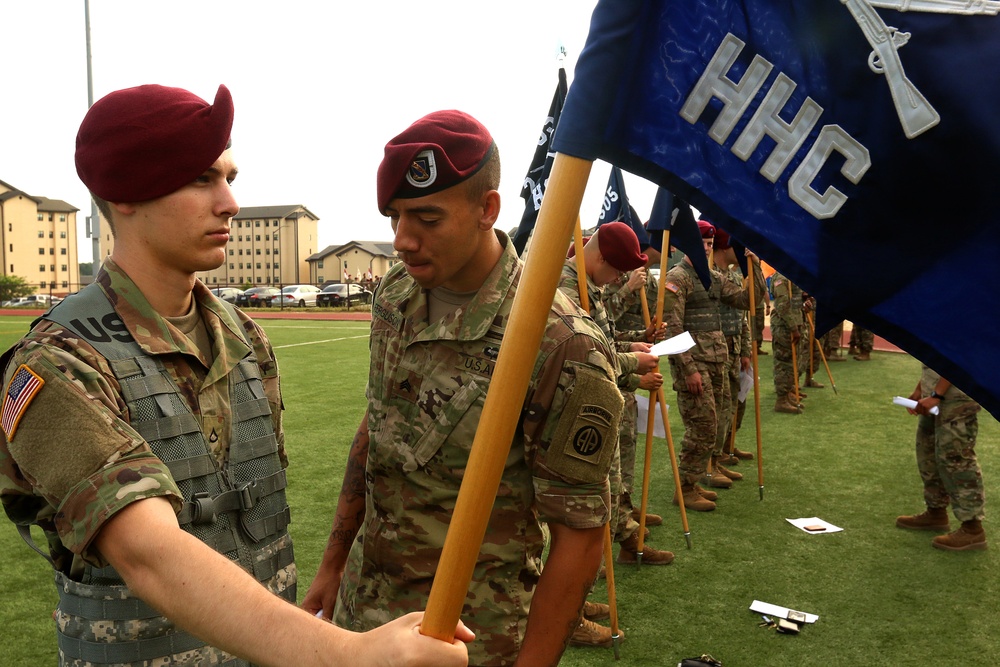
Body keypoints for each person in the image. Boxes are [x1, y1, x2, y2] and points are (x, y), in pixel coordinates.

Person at [0, 84, 471, 667]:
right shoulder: (58, 361)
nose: (229, 203)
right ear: (124, 192)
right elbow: (148, 551)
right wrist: (348, 654)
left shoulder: (246, 339)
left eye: (229, 177)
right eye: (202, 179)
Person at [303, 110, 624, 666]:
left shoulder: (558, 342)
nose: (402, 240)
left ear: (488, 209)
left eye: (427, 218)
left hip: (473, 637)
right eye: (395, 216)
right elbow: (377, 427)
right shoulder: (397, 293)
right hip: (365, 616)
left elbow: (579, 536)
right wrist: (333, 563)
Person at [660, 220, 749, 510]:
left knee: (715, 423)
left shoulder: (711, 277)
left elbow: (747, 300)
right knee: (702, 425)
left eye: (711, 244)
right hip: (694, 365)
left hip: (717, 361)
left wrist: (753, 266)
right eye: (703, 243)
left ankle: (694, 481)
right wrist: (689, 370)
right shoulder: (679, 277)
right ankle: (684, 488)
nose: (708, 248)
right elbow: (672, 328)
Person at [897, 368, 987, 551]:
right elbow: (936, 359)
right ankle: (935, 512)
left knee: (957, 460)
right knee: (928, 453)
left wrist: (937, 394)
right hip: (935, 395)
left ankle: (972, 528)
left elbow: (956, 358)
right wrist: (920, 389)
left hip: (956, 399)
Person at [770, 271, 806, 415]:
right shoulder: (781, 278)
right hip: (784, 327)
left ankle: (788, 394)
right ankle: (781, 400)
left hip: (792, 325)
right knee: (783, 364)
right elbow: (782, 305)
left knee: (792, 363)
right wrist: (793, 327)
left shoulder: (790, 275)